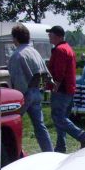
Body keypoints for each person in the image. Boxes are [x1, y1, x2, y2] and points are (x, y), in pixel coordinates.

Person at [8, 23, 54, 153]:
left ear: (16, 38)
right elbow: (45, 72)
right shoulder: (35, 52)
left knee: (13, 124)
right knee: (40, 126)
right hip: (37, 92)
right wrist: (42, 88)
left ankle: (15, 153)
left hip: (25, 93)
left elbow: (17, 79)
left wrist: (16, 98)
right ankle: (49, 151)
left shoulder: (17, 55)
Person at [47, 25, 85, 153]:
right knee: (62, 119)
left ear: (58, 36)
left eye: (51, 34)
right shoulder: (68, 48)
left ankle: (81, 135)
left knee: (58, 117)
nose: (49, 37)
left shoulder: (60, 50)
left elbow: (59, 71)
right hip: (69, 89)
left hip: (61, 90)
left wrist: (55, 85)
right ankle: (61, 147)